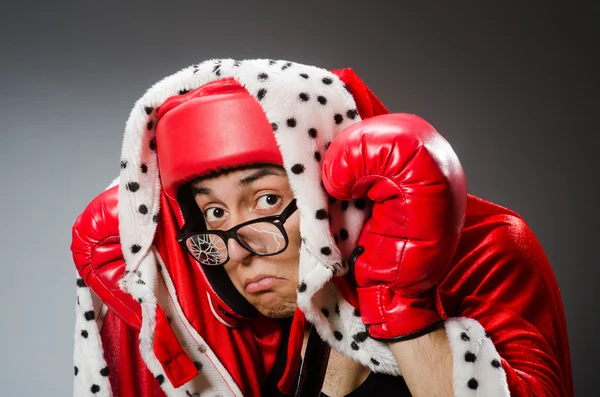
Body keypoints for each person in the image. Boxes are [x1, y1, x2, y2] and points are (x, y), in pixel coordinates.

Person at [71, 59, 573, 396]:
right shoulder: (267, 315)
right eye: (215, 214)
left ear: (331, 193)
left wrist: (397, 301)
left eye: (266, 199)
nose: (239, 252)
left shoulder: (490, 250)